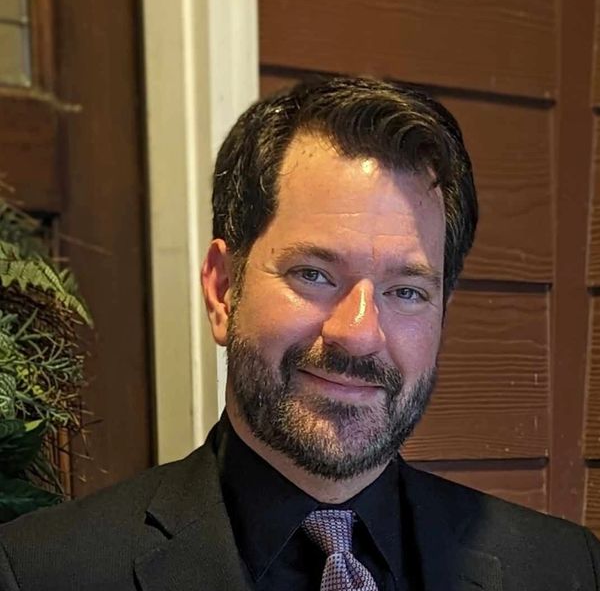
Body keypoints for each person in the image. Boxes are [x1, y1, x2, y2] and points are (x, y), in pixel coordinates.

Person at [0, 76, 598, 590]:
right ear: (223, 290)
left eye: (406, 291)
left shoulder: (565, 568)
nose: (359, 334)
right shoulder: (40, 571)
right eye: (313, 274)